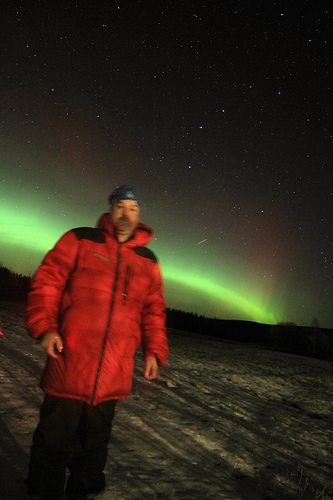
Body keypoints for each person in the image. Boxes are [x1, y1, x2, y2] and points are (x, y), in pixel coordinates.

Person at [25, 185, 169, 500]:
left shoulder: (148, 260)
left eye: (132, 208)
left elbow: (153, 310)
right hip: (69, 365)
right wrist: (45, 327)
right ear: (110, 209)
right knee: (51, 444)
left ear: (139, 215)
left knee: (93, 449)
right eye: (120, 206)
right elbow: (48, 281)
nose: (125, 214)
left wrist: (154, 350)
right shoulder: (80, 239)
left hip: (112, 376)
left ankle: (84, 494)